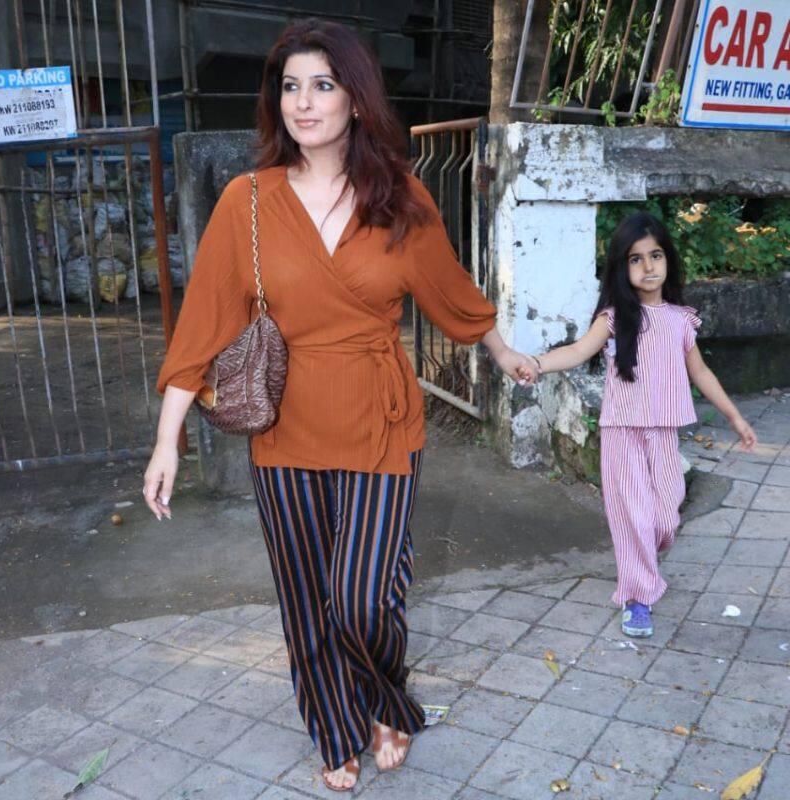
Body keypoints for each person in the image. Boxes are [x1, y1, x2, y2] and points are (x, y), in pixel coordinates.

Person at [143, 19, 537, 793]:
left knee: (360, 599)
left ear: (356, 98)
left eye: (323, 84)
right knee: (303, 594)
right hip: (285, 426)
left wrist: (502, 351)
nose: (304, 101)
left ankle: (389, 699)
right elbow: (204, 328)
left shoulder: (399, 196)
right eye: (290, 86)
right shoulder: (245, 202)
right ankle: (335, 725)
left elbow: (451, 292)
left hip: (380, 419)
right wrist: (168, 440)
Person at [522, 212, 756, 639]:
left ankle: (644, 561)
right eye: (635, 259)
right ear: (621, 267)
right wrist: (536, 364)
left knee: (665, 514)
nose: (648, 267)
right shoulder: (613, 319)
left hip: (662, 434)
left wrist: (735, 416)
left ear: (668, 261)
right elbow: (576, 352)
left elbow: (701, 373)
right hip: (621, 433)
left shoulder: (681, 320)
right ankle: (637, 597)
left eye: (655, 256)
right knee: (633, 515)